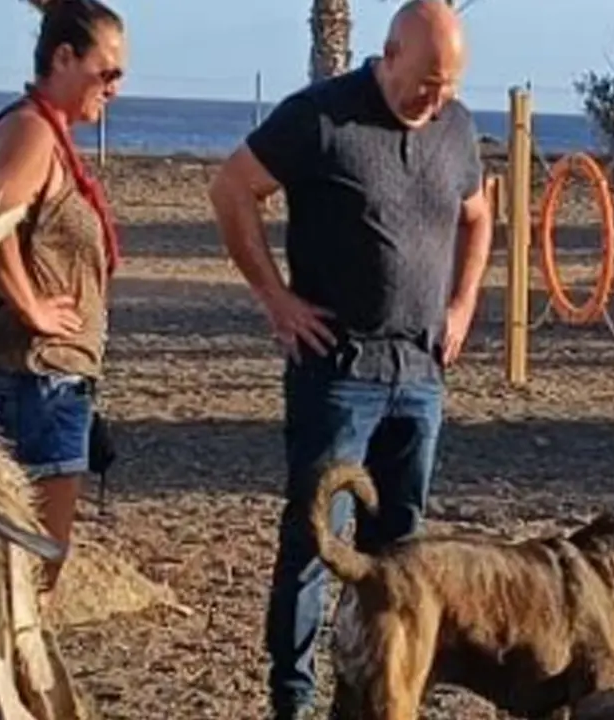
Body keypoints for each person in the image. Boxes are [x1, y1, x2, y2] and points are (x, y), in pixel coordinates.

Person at [207, 1, 493, 716]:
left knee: (400, 555)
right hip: (339, 371)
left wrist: (463, 304)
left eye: (450, 84)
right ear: (389, 53)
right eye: (426, 81)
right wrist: (276, 300)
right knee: (313, 542)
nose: (436, 99)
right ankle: (292, 700)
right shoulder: (320, 117)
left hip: (422, 372)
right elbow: (232, 188)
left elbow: (480, 213)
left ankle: (371, 698)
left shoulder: (456, 128)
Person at [0, 0, 126, 594]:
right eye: (108, 72)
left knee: (35, 558)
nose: (116, 89)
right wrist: (30, 306)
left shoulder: (48, 134)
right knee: (33, 559)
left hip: (52, 381)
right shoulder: (30, 131)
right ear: (63, 57)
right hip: (35, 379)